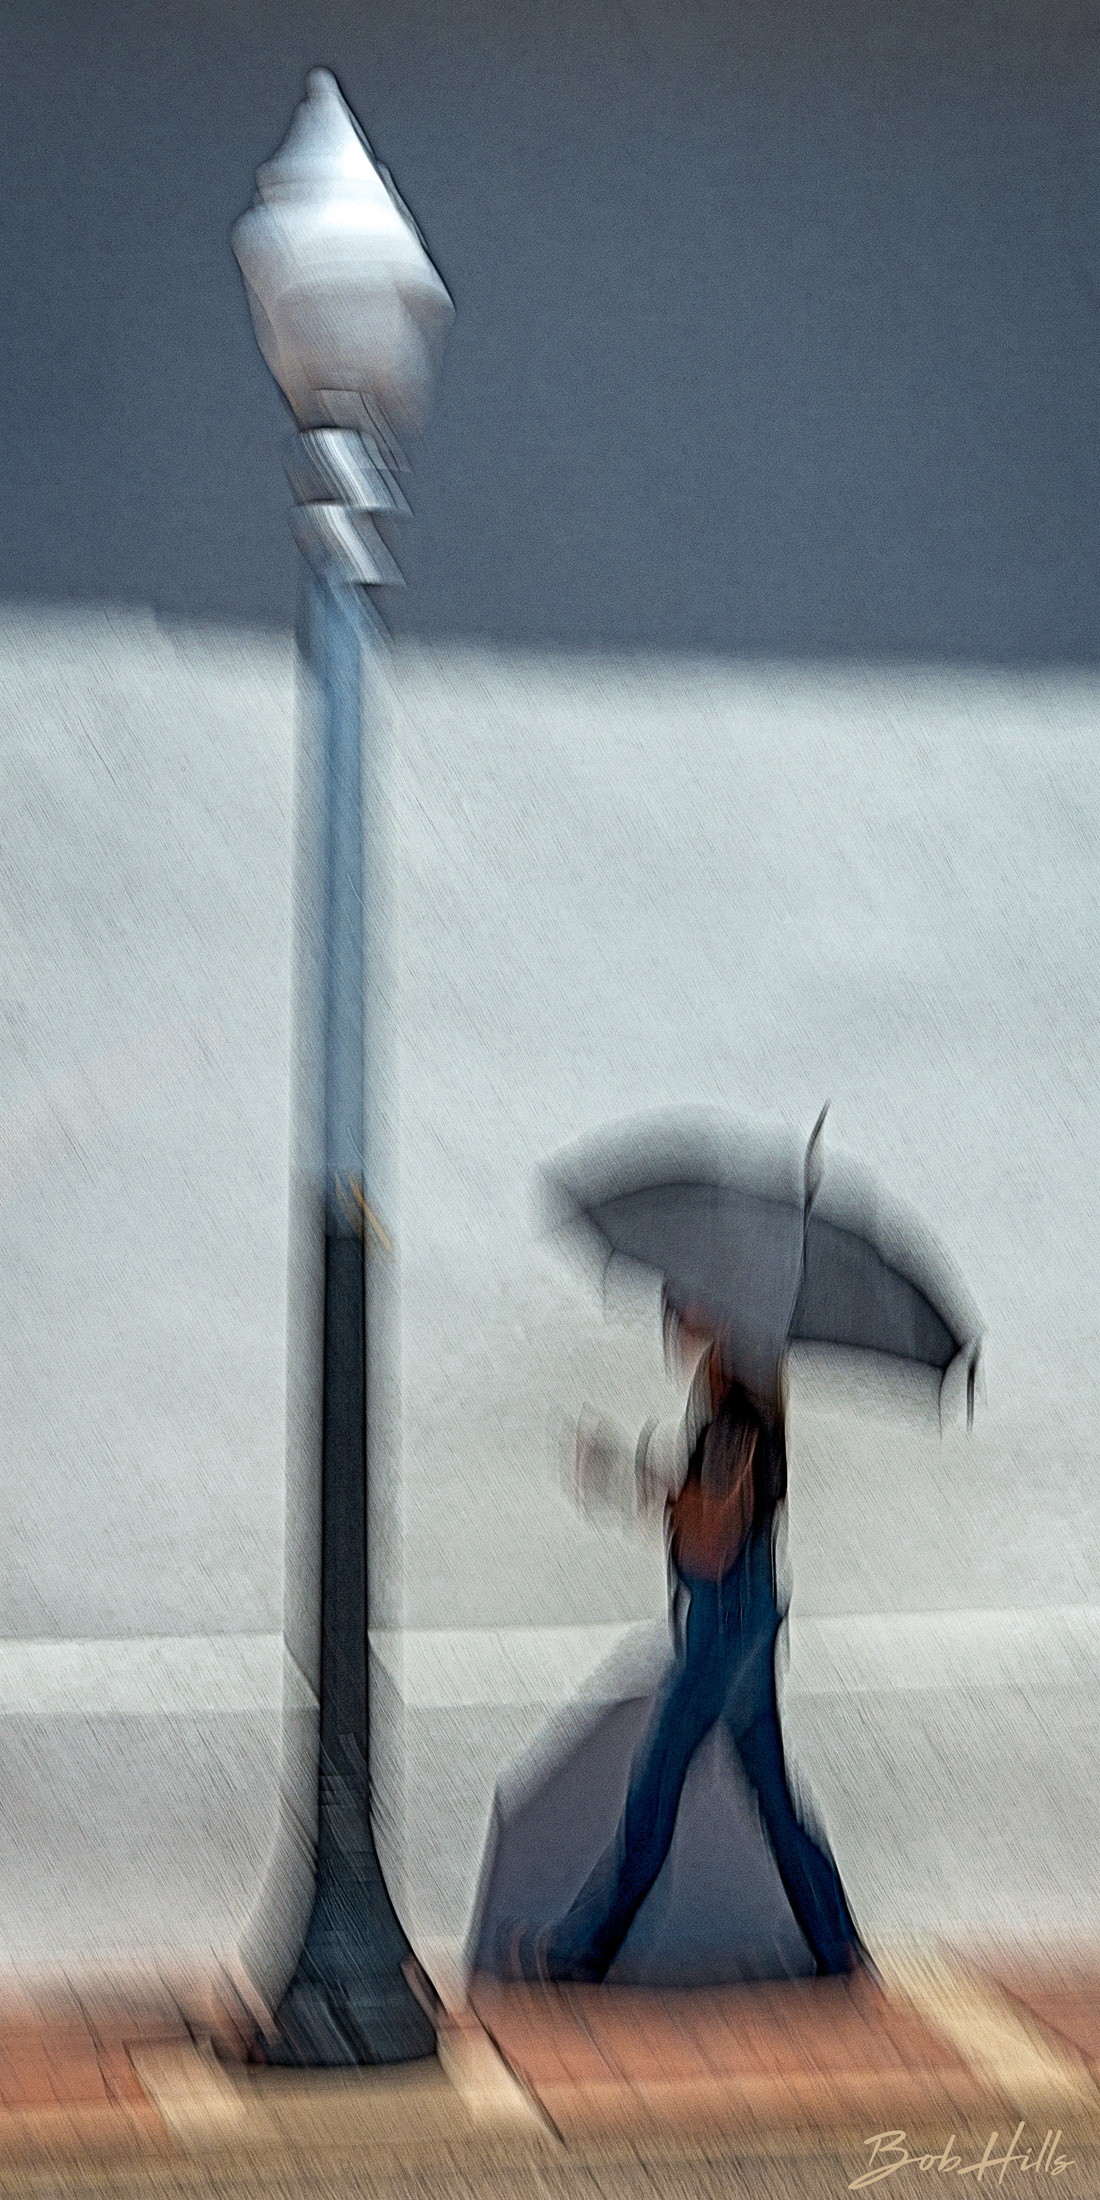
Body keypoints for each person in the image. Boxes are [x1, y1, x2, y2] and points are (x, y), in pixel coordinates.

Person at [507, 1308, 865, 1985]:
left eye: (697, 1322)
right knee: (772, 1799)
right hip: (745, 1624)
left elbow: (712, 1536)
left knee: (655, 1790)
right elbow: (710, 1513)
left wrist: (635, 1479)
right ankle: (838, 1944)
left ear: (731, 1347)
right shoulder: (742, 1423)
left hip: (723, 1634)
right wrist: (652, 1483)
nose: (682, 1331)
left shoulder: (737, 1426)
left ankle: (582, 1949)